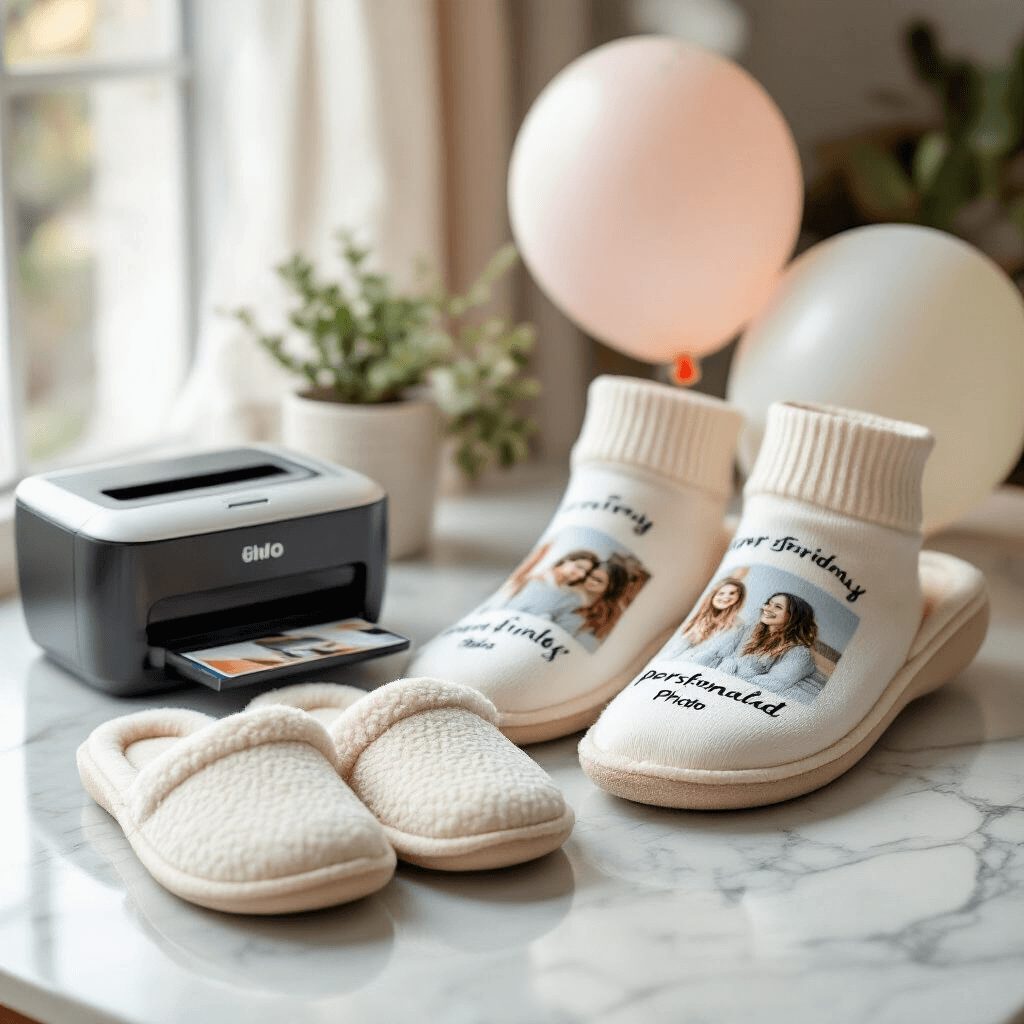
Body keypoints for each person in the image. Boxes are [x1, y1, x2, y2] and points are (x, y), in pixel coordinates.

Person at [690, 591, 823, 703]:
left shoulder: (799, 653)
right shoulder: (753, 631)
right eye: (768, 604)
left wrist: (730, 670)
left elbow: (772, 684)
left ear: (793, 617)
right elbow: (720, 651)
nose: (767, 608)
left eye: (777, 607)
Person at [500, 549, 600, 622]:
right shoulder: (535, 581)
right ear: (567, 560)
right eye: (579, 566)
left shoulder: (569, 594)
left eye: (586, 572)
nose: (581, 574)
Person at [661, 576, 746, 660]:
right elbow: (673, 647)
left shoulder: (737, 625)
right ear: (713, 595)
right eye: (721, 593)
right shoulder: (696, 614)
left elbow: (719, 654)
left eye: (732, 593)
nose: (726, 597)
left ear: (738, 598)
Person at [557, 561, 631, 647]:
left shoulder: (603, 617)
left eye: (598, 580)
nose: (591, 581)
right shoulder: (569, 594)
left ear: (611, 588)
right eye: (591, 576)